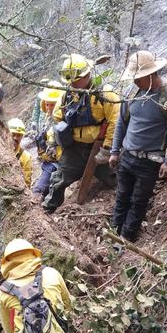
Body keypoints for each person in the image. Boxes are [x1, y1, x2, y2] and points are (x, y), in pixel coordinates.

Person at [109, 50, 167, 243]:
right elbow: (121, 123)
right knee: (122, 196)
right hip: (127, 155)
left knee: (138, 201)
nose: (135, 82)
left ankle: (127, 238)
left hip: (150, 160)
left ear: (151, 74)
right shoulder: (132, 93)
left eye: (139, 78)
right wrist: (114, 150)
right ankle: (113, 233)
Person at [42, 53, 119, 213]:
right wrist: (56, 138)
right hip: (74, 149)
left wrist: (107, 148)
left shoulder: (105, 93)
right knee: (59, 180)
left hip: (98, 147)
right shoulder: (67, 96)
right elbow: (56, 117)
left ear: (87, 74)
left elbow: (115, 120)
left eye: (76, 79)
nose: (73, 83)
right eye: (70, 81)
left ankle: (118, 203)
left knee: (113, 177)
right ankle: (48, 209)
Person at [31, 82, 63, 203]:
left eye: (52, 105)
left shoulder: (61, 120)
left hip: (56, 161)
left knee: (39, 189)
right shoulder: (48, 118)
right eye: (47, 104)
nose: (49, 107)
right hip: (49, 160)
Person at [7, 118, 32, 187]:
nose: (15, 138)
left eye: (18, 135)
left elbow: (27, 183)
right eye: (13, 134)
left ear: (22, 136)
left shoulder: (26, 157)